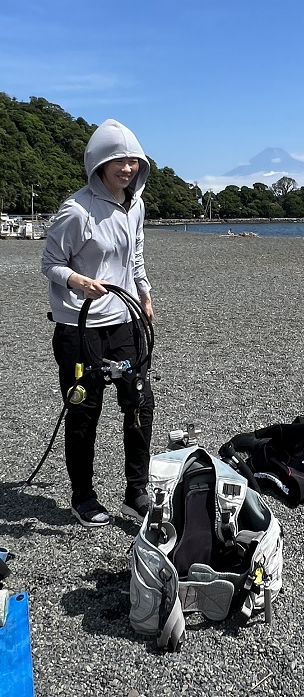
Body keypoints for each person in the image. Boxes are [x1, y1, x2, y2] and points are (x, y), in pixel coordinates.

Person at [41, 119, 155, 527]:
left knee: (140, 403)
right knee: (84, 411)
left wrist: (143, 291)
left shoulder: (135, 204)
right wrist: (75, 280)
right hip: (79, 327)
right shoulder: (76, 210)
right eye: (118, 161)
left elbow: (135, 255)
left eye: (133, 162)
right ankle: (83, 496)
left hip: (124, 321)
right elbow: (49, 263)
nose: (126, 169)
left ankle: (136, 492)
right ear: (99, 164)